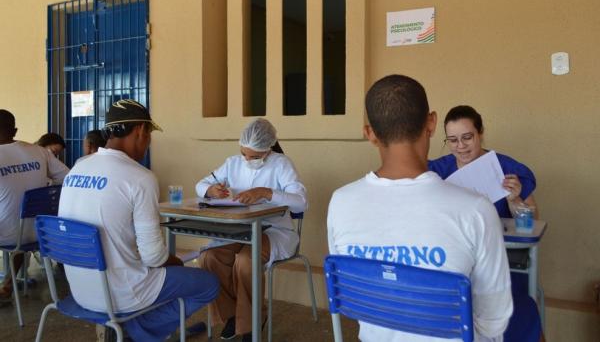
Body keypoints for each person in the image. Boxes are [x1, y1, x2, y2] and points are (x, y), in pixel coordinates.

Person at [327, 75, 513, 341]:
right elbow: (494, 320)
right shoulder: (475, 209)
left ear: (370, 134)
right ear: (432, 123)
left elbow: (352, 296)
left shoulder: (340, 202)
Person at [58, 99, 219, 341]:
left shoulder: (76, 170)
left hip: (80, 290)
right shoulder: (139, 177)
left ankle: (129, 331)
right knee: (207, 284)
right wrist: (176, 262)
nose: (148, 143)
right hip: (120, 294)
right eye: (149, 135)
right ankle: (135, 331)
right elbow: (153, 257)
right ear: (141, 131)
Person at [196, 118, 307, 342]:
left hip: (274, 231)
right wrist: (211, 190)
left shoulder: (281, 164)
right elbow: (199, 185)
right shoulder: (232, 163)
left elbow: (301, 202)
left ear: (268, 149)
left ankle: (250, 324)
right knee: (209, 257)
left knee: (246, 261)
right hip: (240, 230)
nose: (247, 160)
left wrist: (267, 192)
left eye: (254, 156)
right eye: (244, 153)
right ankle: (231, 316)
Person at [0, 110, 69, 302]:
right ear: (15, 131)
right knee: (21, 226)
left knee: (13, 225)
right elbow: (69, 179)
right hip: (39, 233)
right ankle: (7, 285)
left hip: (7, 234)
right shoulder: (39, 151)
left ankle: (6, 286)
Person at [428, 105, 537, 219]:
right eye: (453, 140)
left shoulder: (507, 169)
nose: (461, 145)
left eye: (467, 137)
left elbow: (533, 223)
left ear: (480, 133)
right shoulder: (437, 171)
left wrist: (515, 200)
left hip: (499, 236)